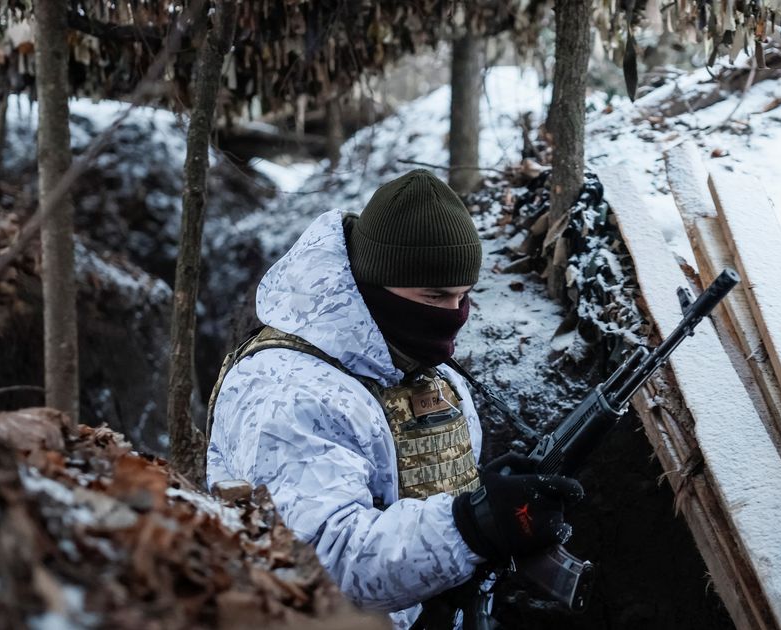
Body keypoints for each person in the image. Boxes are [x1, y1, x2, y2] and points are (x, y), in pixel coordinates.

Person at [205, 169, 583, 629]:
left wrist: (491, 497)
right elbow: (319, 567)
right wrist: (472, 525)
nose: (453, 315)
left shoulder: (413, 363)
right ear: (373, 285)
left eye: (464, 296)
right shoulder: (286, 391)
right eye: (434, 296)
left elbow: (417, 492)